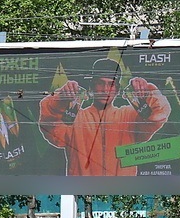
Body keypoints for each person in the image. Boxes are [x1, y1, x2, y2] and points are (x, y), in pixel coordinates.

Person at [37, 57, 170, 177]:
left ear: (117, 90)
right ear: (92, 87)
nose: (105, 90)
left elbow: (159, 113)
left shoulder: (128, 116)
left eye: (110, 84)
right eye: (100, 83)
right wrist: (61, 98)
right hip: (82, 195)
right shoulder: (75, 119)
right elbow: (50, 123)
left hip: (121, 197)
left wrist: (146, 92)